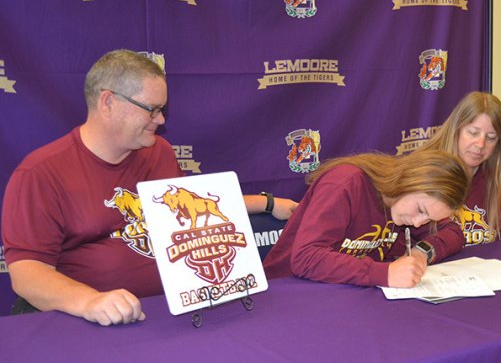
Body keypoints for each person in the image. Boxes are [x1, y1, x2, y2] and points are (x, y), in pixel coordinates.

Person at [1, 49, 297, 326]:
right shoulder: (41, 173)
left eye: (162, 109)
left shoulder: (160, 152)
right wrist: (89, 302)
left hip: (166, 315)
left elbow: (195, 206)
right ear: (108, 103)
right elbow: (27, 273)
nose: (161, 119)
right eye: (152, 110)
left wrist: (266, 203)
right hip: (81, 324)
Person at [263, 149, 471, 288]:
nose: (418, 223)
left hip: (338, 293)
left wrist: (420, 253)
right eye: (420, 210)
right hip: (286, 290)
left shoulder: (407, 209)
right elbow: (306, 258)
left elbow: (454, 233)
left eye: (428, 220)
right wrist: (384, 273)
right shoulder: (346, 184)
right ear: (410, 180)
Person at [418, 91, 501, 245]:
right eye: (473, 133)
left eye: (491, 138)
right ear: (456, 130)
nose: (480, 144)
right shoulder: (426, 169)